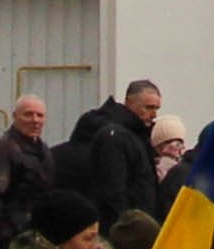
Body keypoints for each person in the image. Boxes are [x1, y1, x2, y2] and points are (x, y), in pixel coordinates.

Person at [62, 82, 169, 228]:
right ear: (129, 103)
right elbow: (113, 191)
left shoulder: (136, 136)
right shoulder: (116, 137)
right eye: (148, 107)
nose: (154, 114)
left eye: (156, 108)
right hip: (124, 230)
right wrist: (125, 228)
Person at [0, 95, 62, 249]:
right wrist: (6, 236)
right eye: (28, 114)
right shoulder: (4, 150)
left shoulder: (43, 150)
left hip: (39, 237)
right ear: (15, 116)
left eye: (40, 115)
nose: (35, 120)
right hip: (13, 241)